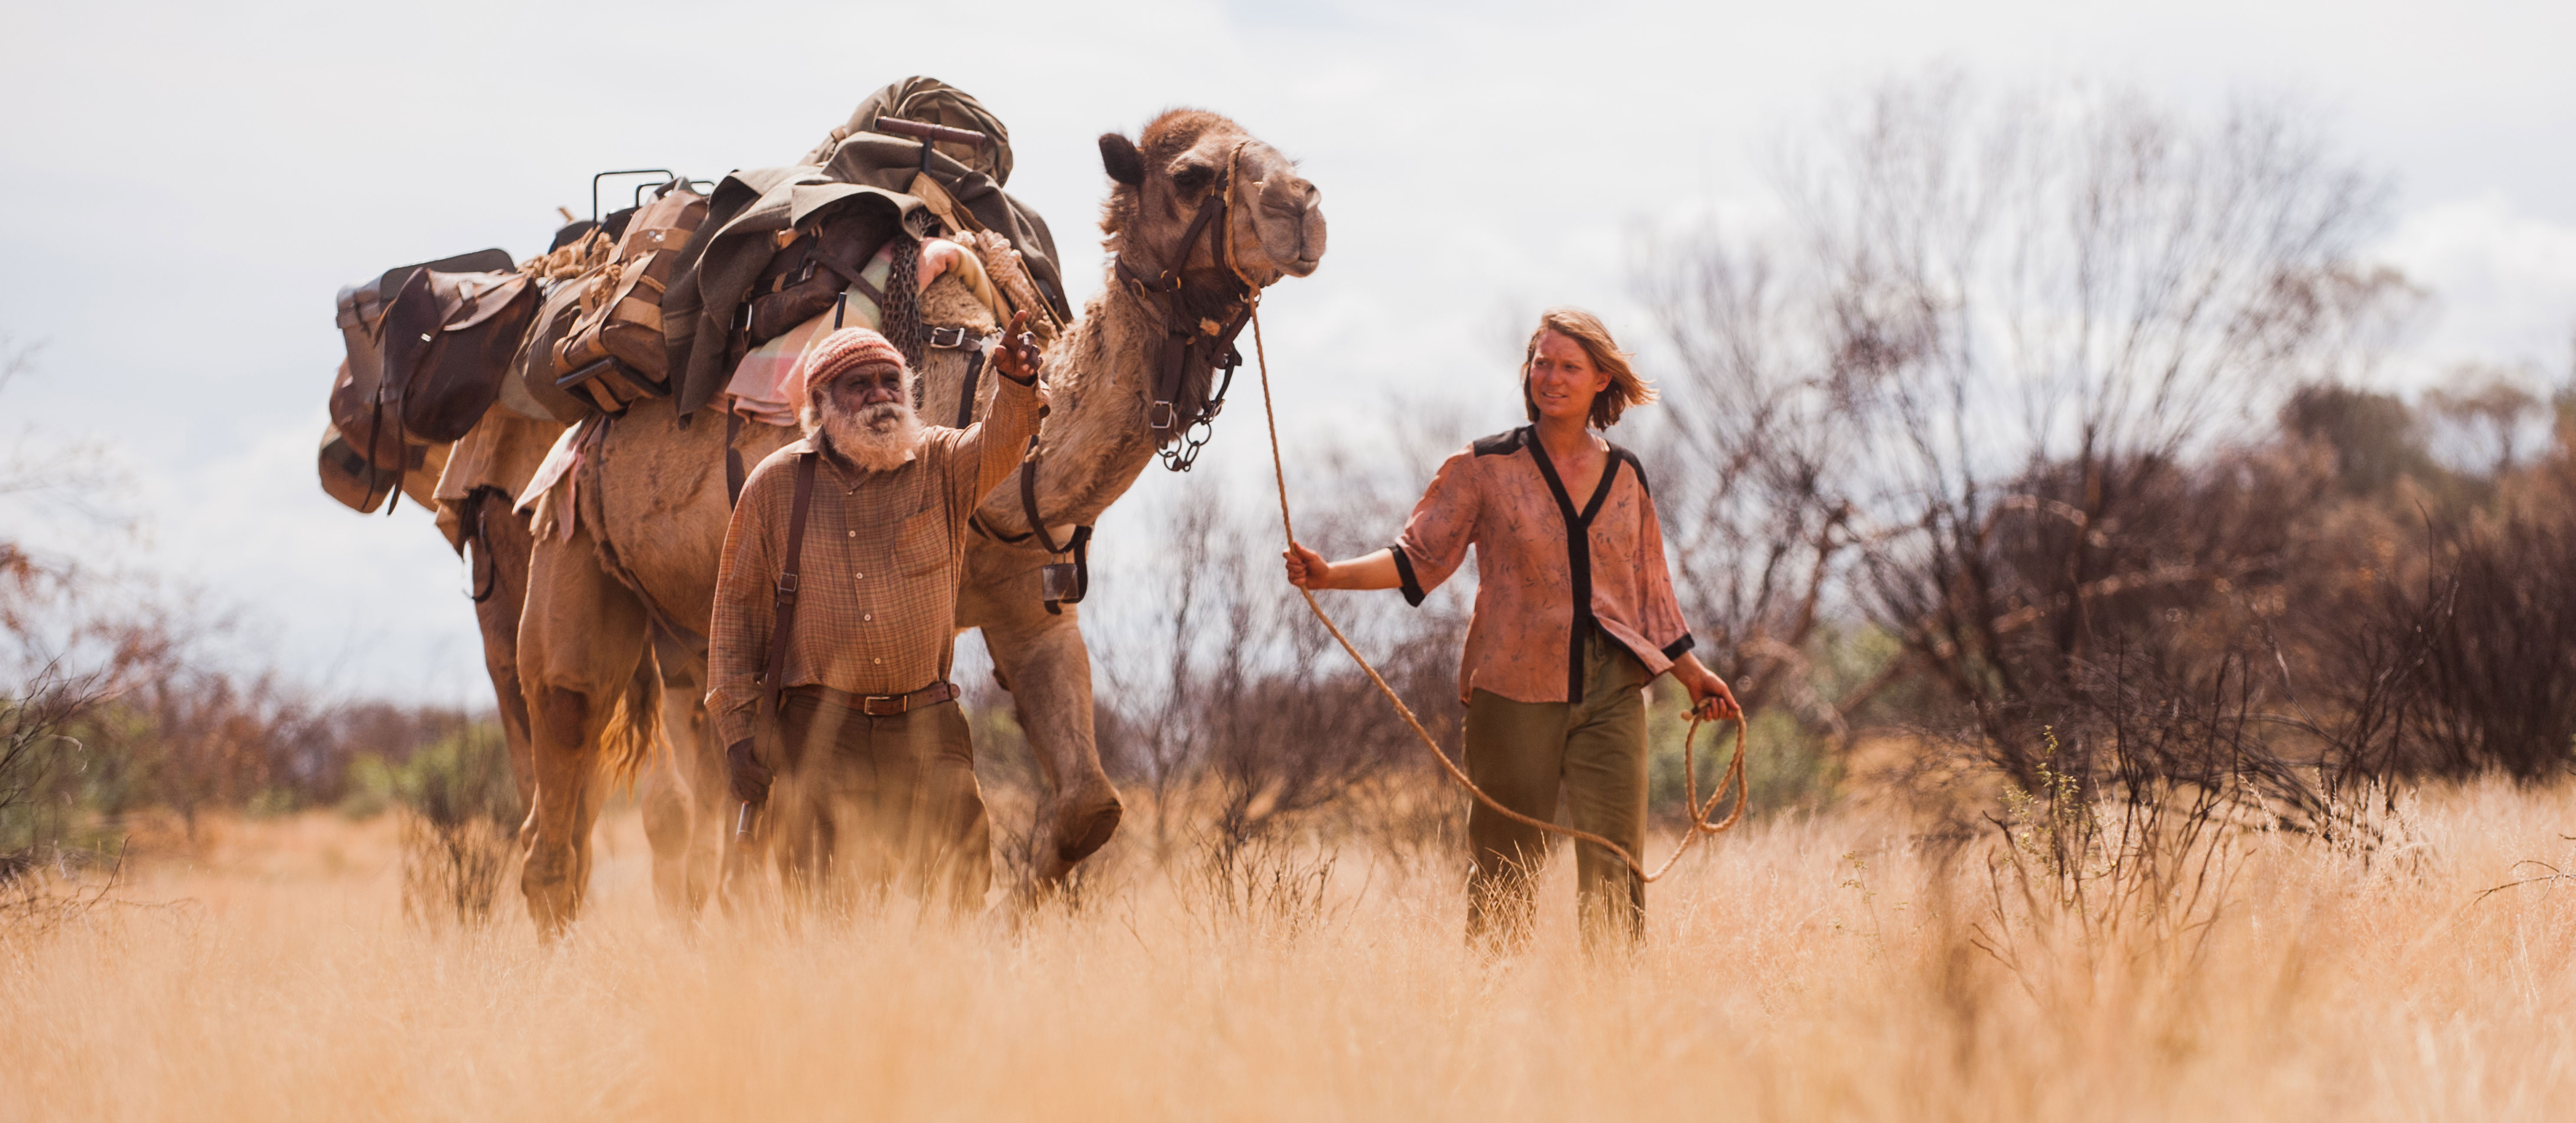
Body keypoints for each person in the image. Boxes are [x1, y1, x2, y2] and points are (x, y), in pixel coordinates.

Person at [1284, 307, 1740, 952]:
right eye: (1542, 362)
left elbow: (1652, 597)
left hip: (1612, 690)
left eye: (1569, 366)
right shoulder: (1482, 467)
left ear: (1602, 380)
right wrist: (1329, 575)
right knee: (1506, 869)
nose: (1551, 376)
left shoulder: (1628, 476)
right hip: (1513, 686)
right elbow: (1416, 559)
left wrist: (1694, 677)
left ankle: (1617, 1028)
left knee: (1616, 866)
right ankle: (1493, 1017)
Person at [710, 315, 1045, 913]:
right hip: (819, 735)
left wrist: (1017, 385)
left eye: (890, 381)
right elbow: (735, 623)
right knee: (826, 908)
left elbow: (1002, 439)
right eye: (859, 385)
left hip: (929, 728)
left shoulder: (943, 463)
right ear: (820, 404)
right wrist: (738, 737)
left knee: (956, 895)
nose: (879, 395)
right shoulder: (775, 488)